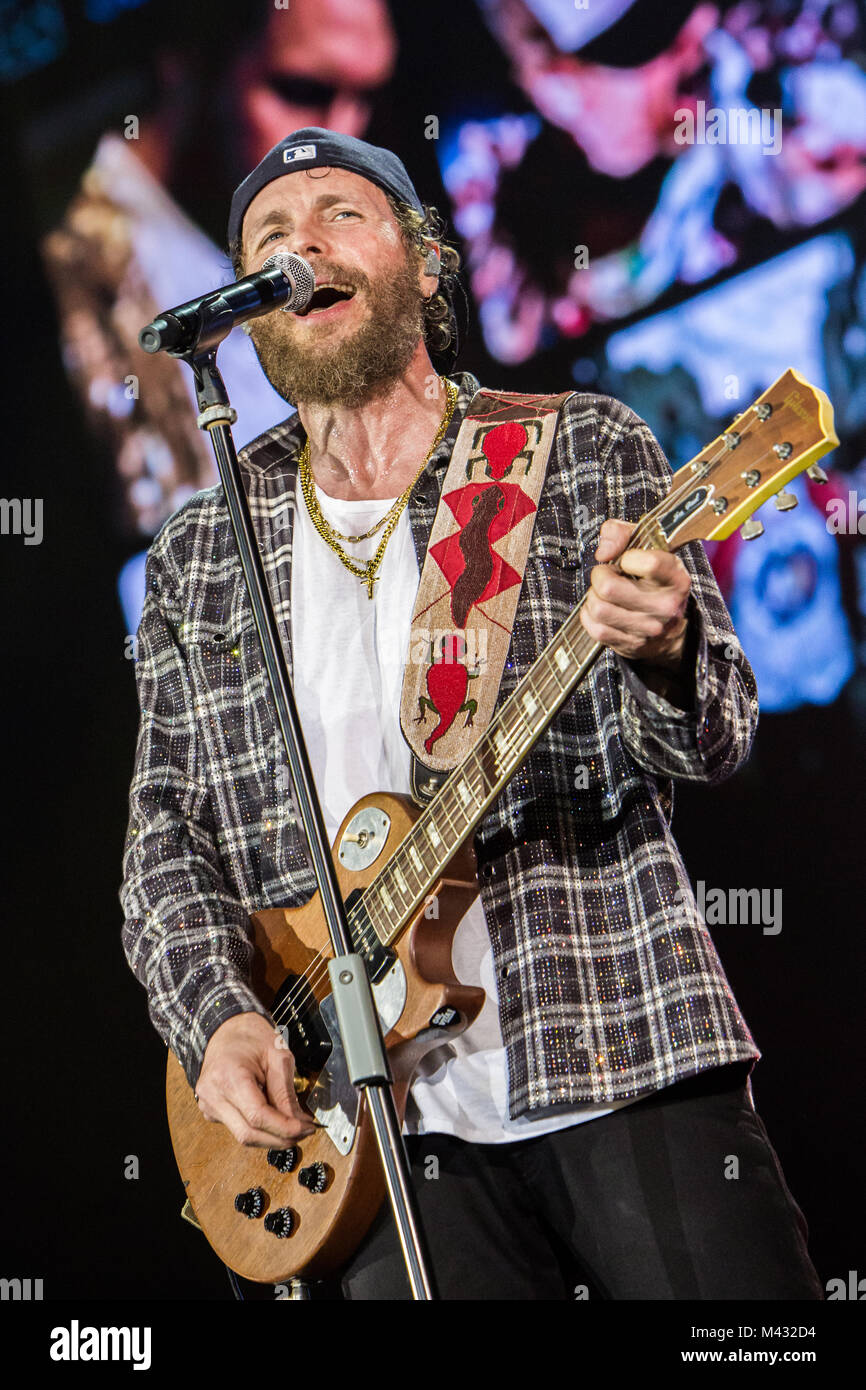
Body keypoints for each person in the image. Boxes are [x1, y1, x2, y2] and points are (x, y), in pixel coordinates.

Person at [120, 127, 823, 1300]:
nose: (300, 247)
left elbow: (714, 735)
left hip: (612, 1036)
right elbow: (164, 839)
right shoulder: (204, 549)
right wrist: (218, 1020)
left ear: (426, 263)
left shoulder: (577, 445)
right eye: (267, 239)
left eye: (338, 215)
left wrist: (665, 650)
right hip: (372, 1135)